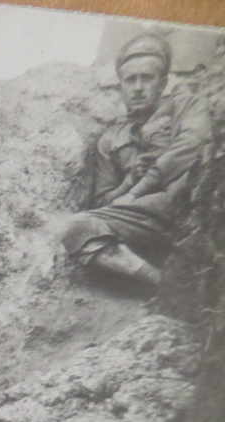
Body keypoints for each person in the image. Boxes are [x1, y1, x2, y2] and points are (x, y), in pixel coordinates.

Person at [59, 34, 213, 286]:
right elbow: (105, 201)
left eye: (147, 78)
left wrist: (141, 186)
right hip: (143, 220)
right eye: (130, 80)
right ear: (120, 86)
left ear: (163, 82)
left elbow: (192, 146)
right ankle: (163, 286)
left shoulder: (188, 105)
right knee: (74, 227)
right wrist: (129, 182)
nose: (138, 87)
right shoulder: (110, 138)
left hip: (191, 205)